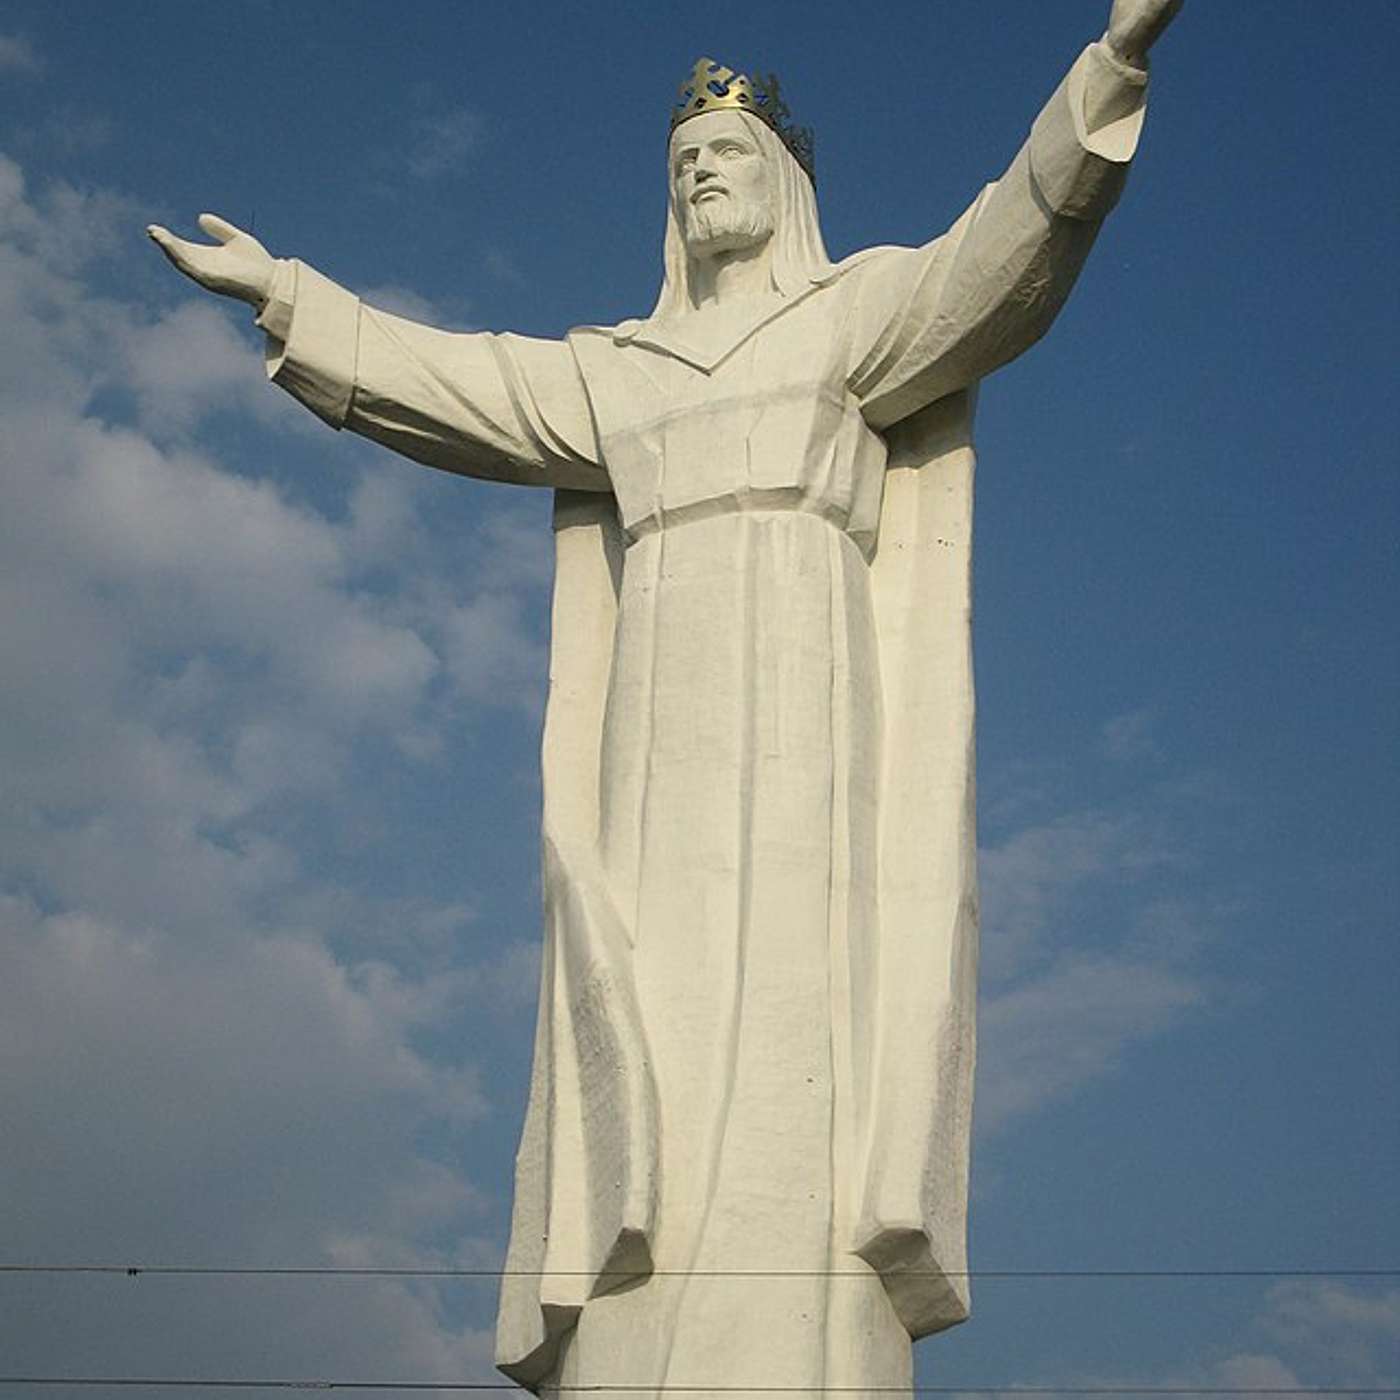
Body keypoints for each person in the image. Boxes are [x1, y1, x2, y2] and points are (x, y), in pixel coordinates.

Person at [149, 1, 1183, 1391]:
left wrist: (1110, 64)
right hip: (657, 713)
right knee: (650, 986)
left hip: (810, 683)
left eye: (726, 152)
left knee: (797, 990)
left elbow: (1003, 255)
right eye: (683, 158)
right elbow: (463, 385)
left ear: (784, 181)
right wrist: (289, 296)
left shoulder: (852, 315)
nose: (701, 173)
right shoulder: (619, 372)